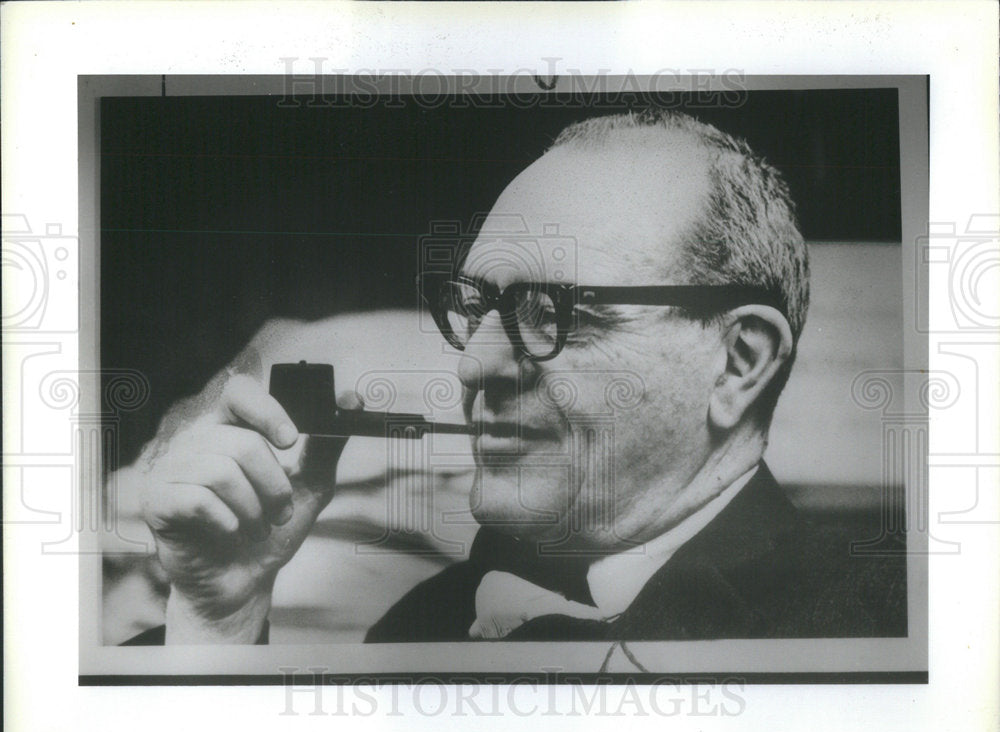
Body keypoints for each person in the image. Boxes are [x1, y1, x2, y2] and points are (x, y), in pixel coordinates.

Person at [128, 110, 906, 645]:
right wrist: (218, 610)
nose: (473, 363)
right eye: (473, 308)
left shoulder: (882, 633)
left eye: (552, 310)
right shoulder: (421, 627)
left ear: (739, 362)